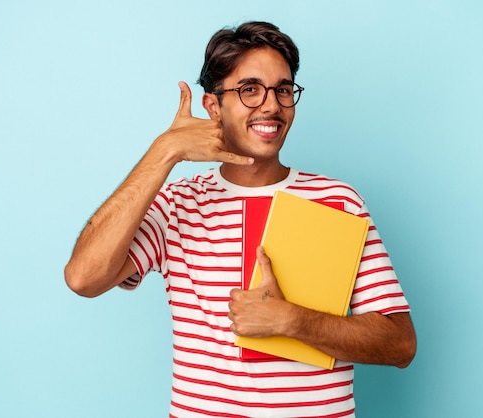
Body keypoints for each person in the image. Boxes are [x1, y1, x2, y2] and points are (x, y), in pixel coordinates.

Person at [65, 21, 416, 418]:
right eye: (249, 89)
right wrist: (164, 151)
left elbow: (399, 345)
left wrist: (292, 320)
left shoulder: (338, 200)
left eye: (283, 90)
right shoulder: (177, 203)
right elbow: (84, 277)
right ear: (213, 106)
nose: (271, 105)